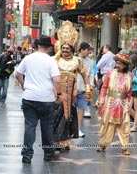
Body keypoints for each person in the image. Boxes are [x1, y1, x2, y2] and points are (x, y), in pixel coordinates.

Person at [15, 35, 62, 164]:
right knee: (47, 127)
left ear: (37, 46)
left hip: (29, 97)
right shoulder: (51, 60)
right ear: (49, 48)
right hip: (46, 98)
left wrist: (23, 85)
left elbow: (17, 74)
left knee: (30, 126)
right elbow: (57, 79)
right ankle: (48, 153)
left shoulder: (28, 58)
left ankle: (27, 155)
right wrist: (58, 94)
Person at [53, 21, 91, 150]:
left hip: (72, 95)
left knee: (68, 116)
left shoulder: (77, 61)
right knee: (57, 115)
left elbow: (85, 76)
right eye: (62, 48)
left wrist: (87, 89)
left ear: (71, 49)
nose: (64, 50)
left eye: (67, 48)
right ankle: (56, 140)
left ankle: (66, 140)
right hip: (56, 93)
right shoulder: (55, 60)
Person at [95, 51, 132, 155]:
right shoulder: (110, 73)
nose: (117, 65)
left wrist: (129, 104)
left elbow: (129, 92)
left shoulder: (129, 75)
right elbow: (104, 87)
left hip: (123, 104)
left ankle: (124, 147)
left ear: (125, 65)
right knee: (109, 124)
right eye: (117, 63)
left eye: (120, 63)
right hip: (110, 103)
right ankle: (103, 145)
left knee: (123, 125)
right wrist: (102, 99)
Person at [76, 42, 94, 137]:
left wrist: (90, 86)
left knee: (81, 109)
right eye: (87, 50)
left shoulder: (89, 61)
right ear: (82, 49)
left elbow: (91, 74)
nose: (88, 52)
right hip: (73, 89)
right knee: (71, 110)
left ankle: (77, 128)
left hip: (83, 89)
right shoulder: (74, 59)